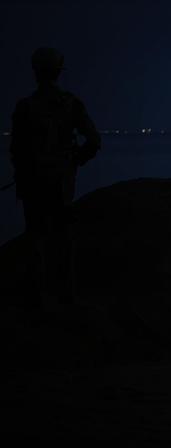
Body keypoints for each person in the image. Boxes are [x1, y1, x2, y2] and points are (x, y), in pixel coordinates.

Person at [8, 47, 101, 308]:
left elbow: (16, 150)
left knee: (35, 236)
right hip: (61, 182)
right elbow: (94, 141)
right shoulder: (70, 103)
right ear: (59, 72)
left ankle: (38, 297)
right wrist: (75, 160)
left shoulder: (25, 107)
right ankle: (65, 295)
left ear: (36, 73)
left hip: (33, 183)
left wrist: (24, 171)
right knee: (62, 237)